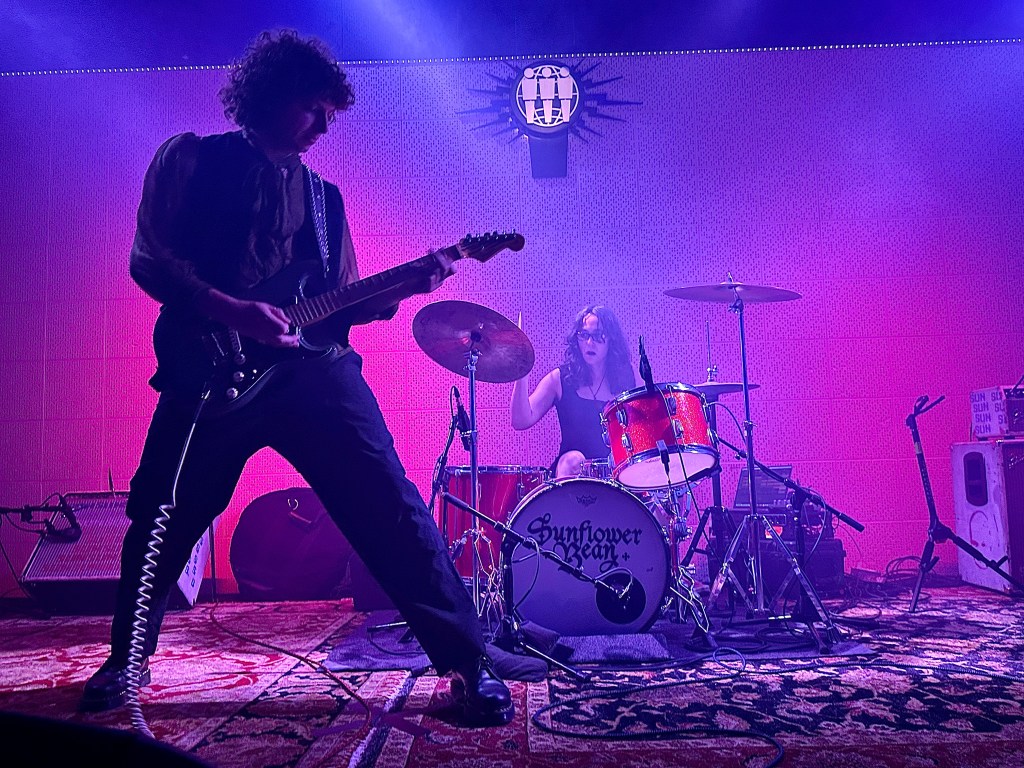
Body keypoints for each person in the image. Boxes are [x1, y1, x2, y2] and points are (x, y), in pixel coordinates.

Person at [80, 30, 513, 727]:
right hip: (208, 370)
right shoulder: (190, 158)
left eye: (329, 115)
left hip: (312, 372)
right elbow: (150, 260)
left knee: (393, 508)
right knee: (162, 513)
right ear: (272, 94)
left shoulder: (324, 197)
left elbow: (341, 301)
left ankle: (466, 666)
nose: (321, 125)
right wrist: (230, 310)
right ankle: (124, 659)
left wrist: (405, 284)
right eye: (313, 108)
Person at [510, 305, 636, 477]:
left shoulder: (629, 379)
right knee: (573, 460)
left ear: (611, 340)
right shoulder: (560, 379)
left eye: (598, 336)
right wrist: (521, 369)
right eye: (584, 335)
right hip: (569, 473)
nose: (589, 343)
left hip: (615, 473)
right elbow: (520, 420)